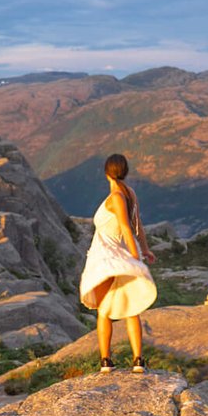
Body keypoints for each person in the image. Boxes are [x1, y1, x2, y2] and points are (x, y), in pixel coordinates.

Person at [78, 153, 158, 372]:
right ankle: (138, 360)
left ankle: (106, 361)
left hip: (108, 257)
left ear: (107, 173)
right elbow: (137, 225)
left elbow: (125, 226)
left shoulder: (115, 198)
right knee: (131, 309)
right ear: (125, 171)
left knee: (104, 310)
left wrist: (134, 256)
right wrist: (144, 250)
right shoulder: (129, 193)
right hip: (122, 252)